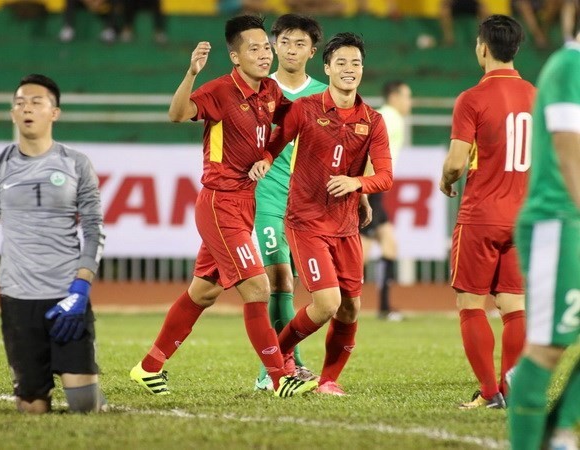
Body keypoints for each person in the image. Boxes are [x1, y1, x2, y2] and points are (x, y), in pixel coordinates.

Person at [129, 15, 317, 398]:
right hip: (219, 204)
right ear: (235, 56)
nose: (265, 55)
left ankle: (148, 368)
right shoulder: (219, 91)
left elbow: (288, 124)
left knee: (203, 293)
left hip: (243, 203)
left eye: (267, 47)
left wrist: (267, 154)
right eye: (255, 49)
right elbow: (177, 114)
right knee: (258, 287)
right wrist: (191, 73)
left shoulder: (269, 91)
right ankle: (280, 377)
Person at [250, 32, 393, 396]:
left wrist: (357, 184)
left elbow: (386, 175)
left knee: (350, 309)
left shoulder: (373, 120)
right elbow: (276, 141)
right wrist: (264, 160)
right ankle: (276, 363)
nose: (349, 69)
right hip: (306, 221)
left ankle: (328, 381)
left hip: (345, 227)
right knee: (326, 303)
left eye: (356, 63)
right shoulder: (307, 108)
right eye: (341, 63)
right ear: (326, 67)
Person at [0, 74, 107, 414]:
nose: (27, 108)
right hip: (17, 298)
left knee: (84, 407)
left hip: (67, 294)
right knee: (32, 408)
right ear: (12, 114)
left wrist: (81, 288)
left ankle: (91, 388)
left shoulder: (76, 164)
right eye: (20, 103)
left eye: (37, 102)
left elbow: (94, 229)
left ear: (55, 113)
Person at [439, 14, 535, 409]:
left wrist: (446, 179)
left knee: (470, 304)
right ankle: (511, 392)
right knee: (515, 307)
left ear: (482, 48)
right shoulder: (535, 93)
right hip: (524, 215)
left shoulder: (472, 98)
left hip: (481, 215)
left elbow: (457, 162)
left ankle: (490, 392)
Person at [508, 32, 580, 450]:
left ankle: (560, 430)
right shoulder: (570, 66)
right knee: (549, 347)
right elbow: (569, 151)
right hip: (559, 220)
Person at [252, 14, 327, 392]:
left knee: (315, 290)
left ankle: (283, 361)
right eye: (285, 42)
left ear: (312, 52)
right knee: (278, 279)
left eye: (300, 43)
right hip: (267, 198)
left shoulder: (325, 95)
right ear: (274, 45)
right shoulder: (259, 90)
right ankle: (278, 367)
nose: (292, 49)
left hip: (311, 204)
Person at [359, 80, 412, 321]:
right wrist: (366, 191)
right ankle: (343, 303)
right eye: (406, 97)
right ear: (394, 96)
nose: (409, 102)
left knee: (389, 245)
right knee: (362, 251)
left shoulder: (388, 117)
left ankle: (383, 307)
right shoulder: (389, 118)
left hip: (375, 189)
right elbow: (371, 151)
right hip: (372, 188)